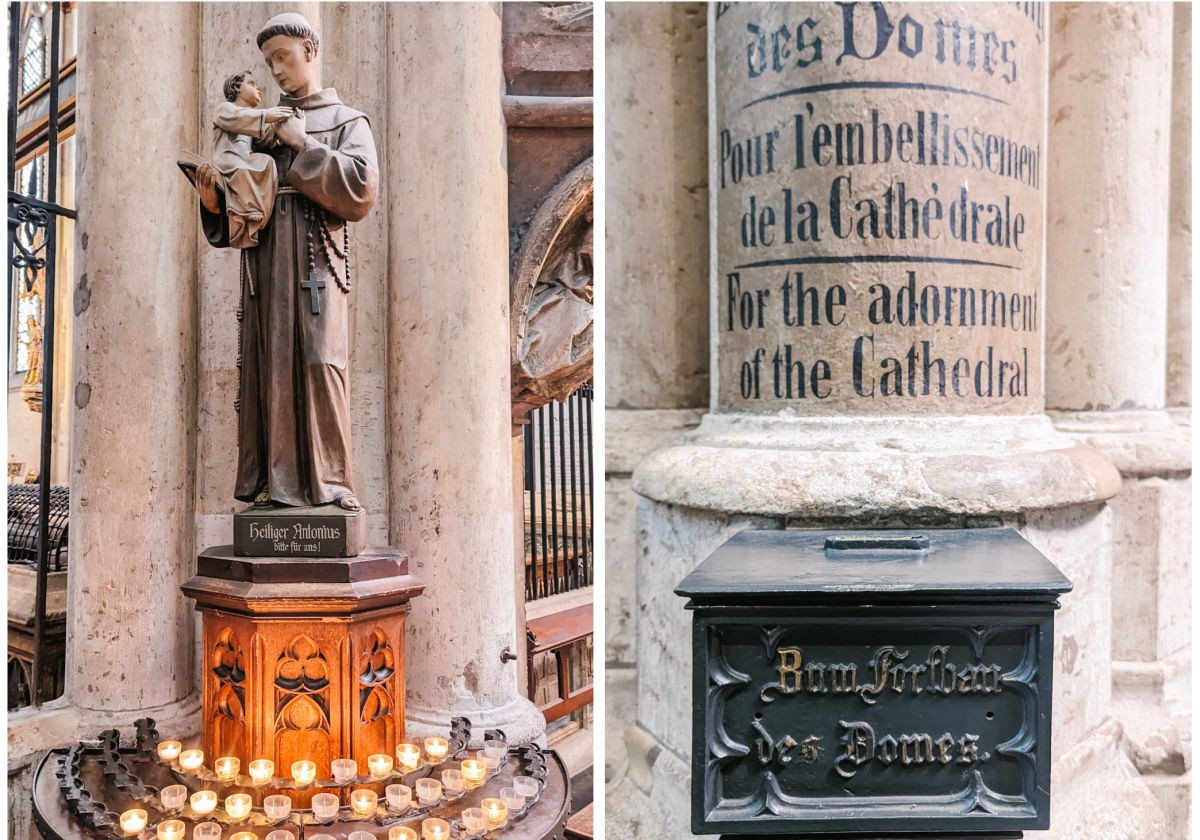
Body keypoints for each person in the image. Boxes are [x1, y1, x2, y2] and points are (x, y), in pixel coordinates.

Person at [191, 13, 379, 511]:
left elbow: (361, 190)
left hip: (320, 257)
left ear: (310, 52)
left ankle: (333, 486)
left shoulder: (347, 121)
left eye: (284, 57)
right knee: (271, 367)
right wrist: (215, 206)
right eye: (268, 61)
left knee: (322, 362)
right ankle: (276, 491)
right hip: (269, 258)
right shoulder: (258, 126)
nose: (275, 69)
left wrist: (301, 142)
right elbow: (245, 201)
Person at [212, 70, 294, 248]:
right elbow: (237, 119)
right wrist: (266, 115)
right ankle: (245, 210)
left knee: (266, 162)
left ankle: (255, 209)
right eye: (251, 84)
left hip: (246, 158)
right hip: (229, 158)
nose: (258, 89)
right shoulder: (226, 109)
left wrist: (283, 124)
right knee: (241, 170)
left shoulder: (253, 117)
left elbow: (265, 137)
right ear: (236, 87)